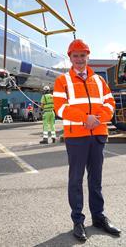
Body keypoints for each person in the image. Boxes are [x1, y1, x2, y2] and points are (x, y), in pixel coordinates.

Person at [53, 39, 121, 242]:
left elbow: (110, 103)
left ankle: (99, 217)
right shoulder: (62, 80)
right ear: (70, 58)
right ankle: (78, 220)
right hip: (77, 137)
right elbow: (60, 107)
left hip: (97, 134)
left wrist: (98, 118)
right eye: (76, 56)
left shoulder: (99, 81)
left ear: (87, 56)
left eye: (83, 55)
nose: (80, 59)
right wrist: (85, 119)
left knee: (96, 180)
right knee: (75, 180)